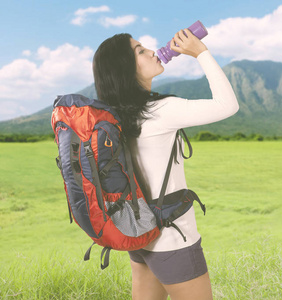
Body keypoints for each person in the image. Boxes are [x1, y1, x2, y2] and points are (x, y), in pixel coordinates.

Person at [92, 28, 239, 300]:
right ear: (126, 68)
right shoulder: (160, 111)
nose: (151, 51)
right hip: (173, 238)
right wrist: (200, 53)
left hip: (140, 229)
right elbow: (227, 105)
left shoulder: (113, 115)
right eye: (139, 50)